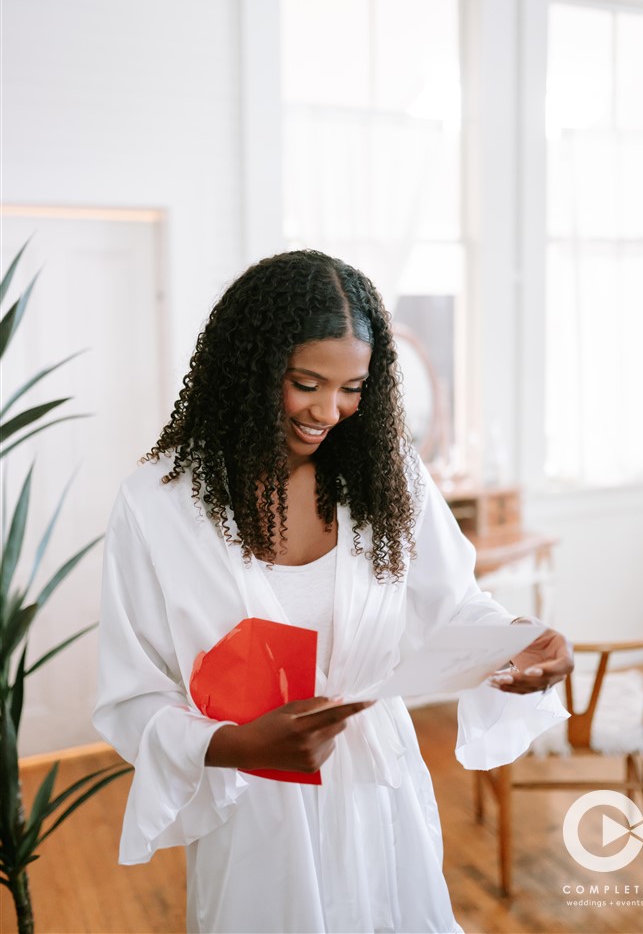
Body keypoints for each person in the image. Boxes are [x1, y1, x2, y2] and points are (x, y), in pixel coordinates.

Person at [94, 250, 572, 934]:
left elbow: (454, 609)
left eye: (353, 387)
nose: (329, 411)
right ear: (249, 368)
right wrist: (237, 746)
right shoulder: (158, 504)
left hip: (381, 793)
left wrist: (520, 645)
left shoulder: (388, 476)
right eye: (306, 382)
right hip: (253, 812)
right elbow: (131, 694)